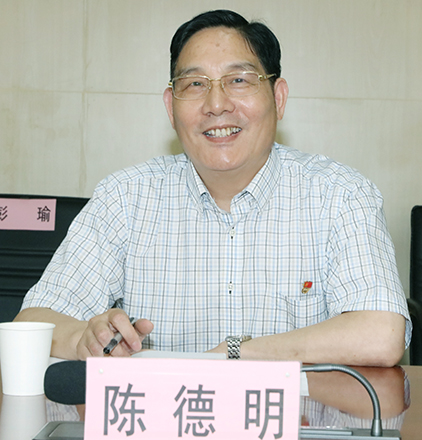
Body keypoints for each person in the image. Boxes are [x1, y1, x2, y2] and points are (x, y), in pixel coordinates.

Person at [15, 9, 411, 366]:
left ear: (278, 97)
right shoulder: (125, 198)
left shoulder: (340, 195)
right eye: (195, 84)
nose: (217, 104)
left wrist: (236, 353)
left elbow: (381, 333)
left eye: (239, 80)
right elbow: (34, 321)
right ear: (171, 107)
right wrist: (84, 339)